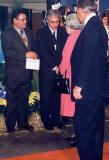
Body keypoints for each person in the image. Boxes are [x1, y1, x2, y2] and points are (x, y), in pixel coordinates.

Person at [70, 0, 108, 160]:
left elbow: (88, 59)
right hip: (96, 89)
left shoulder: (91, 27)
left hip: (88, 90)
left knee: (83, 127)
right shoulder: (97, 25)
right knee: (95, 128)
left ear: (80, 10)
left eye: (76, 10)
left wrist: (79, 85)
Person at [1, 8, 37, 133]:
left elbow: (34, 48)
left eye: (25, 19)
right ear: (14, 21)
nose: (25, 22)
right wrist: (25, 54)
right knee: (12, 102)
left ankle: (23, 123)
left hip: (27, 73)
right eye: (22, 20)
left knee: (23, 100)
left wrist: (35, 54)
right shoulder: (6, 34)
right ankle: (10, 126)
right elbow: (9, 53)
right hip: (14, 74)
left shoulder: (29, 32)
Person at [35, 9, 68, 130]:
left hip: (59, 70)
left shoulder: (63, 32)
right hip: (46, 71)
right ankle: (46, 120)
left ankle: (56, 119)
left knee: (57, 96)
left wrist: (60, 66)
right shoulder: (40, 33)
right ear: (47, 21)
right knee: (46, 97)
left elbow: (65, 50)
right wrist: (54, 66)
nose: (55, 24)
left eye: (57, 21)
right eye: (52, 22)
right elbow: (42, 52)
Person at [59, 13, 82, 146]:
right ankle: (77, 134)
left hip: (71, 77)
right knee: (78, 109)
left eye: (66, 24)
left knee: (73, 109)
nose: (65, 27)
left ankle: (78, 135)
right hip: (79, 77)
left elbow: (66, 59)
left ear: (71, 25)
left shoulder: (72, 37)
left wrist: (60, 71)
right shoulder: (82, 35)